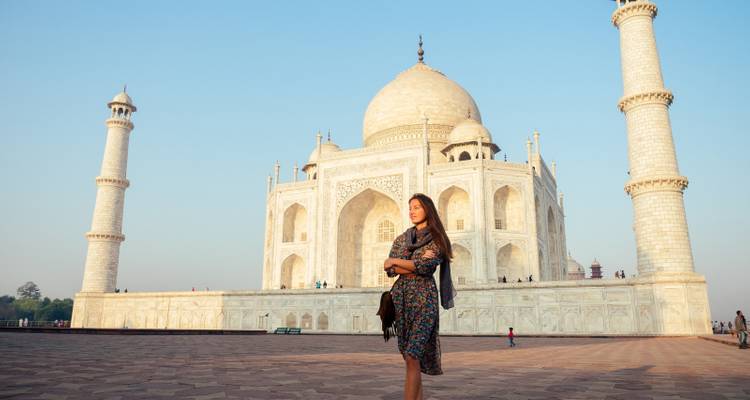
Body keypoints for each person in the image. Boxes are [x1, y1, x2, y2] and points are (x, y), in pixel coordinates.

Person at [383, 193, 456, 400]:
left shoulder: (437, 238)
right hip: (403, 300)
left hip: (424, 300)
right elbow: (389, 269)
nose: (412, 211)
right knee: (409, 358)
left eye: (417, 207)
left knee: (413, 354)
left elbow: (425, 267)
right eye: (410, 207)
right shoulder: (402, 239)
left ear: (427, 209)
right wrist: (399, 263)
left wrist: (396, 261)